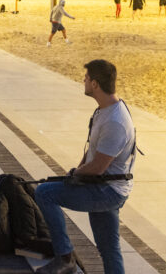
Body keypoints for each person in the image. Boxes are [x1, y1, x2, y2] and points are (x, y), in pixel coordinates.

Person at [34, 59, 136, 274]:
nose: (83, 81)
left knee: (45, 193)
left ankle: (65, 258)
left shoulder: (115, 121)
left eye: (86, 78)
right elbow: (92, 151)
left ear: (95, 84)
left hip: (107, 190)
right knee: (109, 248)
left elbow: (98, 166)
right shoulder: (104, 110)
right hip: (103, 184)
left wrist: (75, 174)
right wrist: (76, 171)